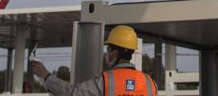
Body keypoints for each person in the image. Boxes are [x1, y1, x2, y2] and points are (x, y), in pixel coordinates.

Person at [29, 25, 157, 96]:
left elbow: (71, 93)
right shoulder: (150, 83)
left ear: (115, 53)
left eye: (109, 50)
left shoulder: (106, 81)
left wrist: (45, 75)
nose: (107, 54)